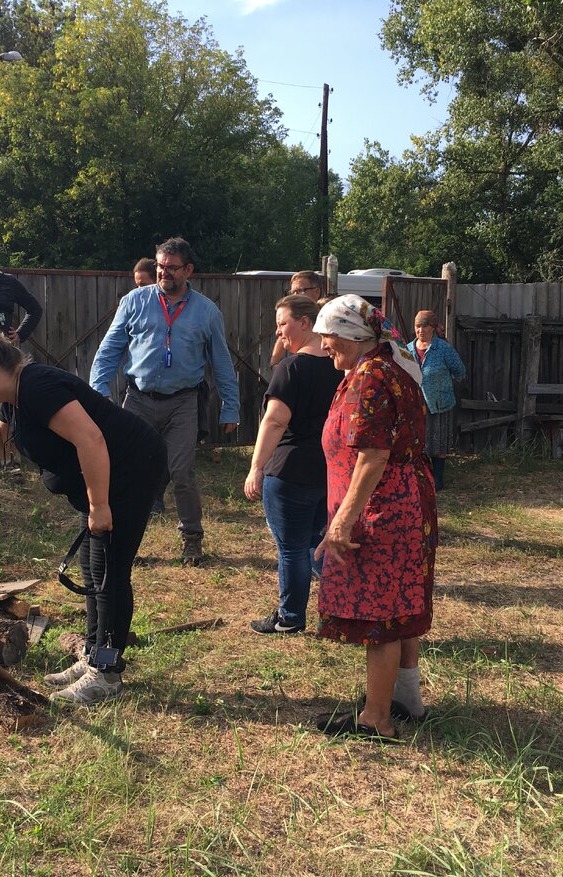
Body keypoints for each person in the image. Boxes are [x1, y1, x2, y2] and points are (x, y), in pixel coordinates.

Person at [0, 320, 167, 704]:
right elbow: (2, 446)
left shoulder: (38, 386)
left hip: (132, 468)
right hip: (112, 471)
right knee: (93, 564)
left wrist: (100, 506)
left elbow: (91, 438)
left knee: (110, 571)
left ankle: (107, 673)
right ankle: (92, 655)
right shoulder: (13, 398)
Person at [312, 296, 437, 740]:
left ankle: (376, 719)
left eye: (328, 335)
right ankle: (405, 698)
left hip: (382, 507)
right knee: (401, 605)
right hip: (403, 500)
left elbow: (372, 457)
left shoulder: (370, 379)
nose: (324, 344)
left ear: (352, 334)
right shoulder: (388, 366)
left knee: (380, 616)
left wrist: (344, 521)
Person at [90, 237, 240, 565]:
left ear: (188, 270)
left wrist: (231, 405)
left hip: (183, 403)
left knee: (181, 470)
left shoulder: (206, 312)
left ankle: (192, 539)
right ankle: (124, 541)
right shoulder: (134, 302)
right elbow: (109, 349)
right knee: (128, 470)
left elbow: (221, 362)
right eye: (159, 266)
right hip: (139, 399)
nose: (163, 273)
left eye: (171, 268)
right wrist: (99, 391)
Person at [244, 294, 342, 634]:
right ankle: (337, 612)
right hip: (329, 471)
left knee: (292, 549)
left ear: (305, 322)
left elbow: (274, 422)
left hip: (289, 471)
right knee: (319, 542)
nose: (278, 333)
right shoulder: (340, 366)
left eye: (282, 324)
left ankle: (290, 618)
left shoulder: (292, 367)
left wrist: (256, 467)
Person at [407, 309, 466, 490]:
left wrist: (441, 383)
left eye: (425, 326)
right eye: (418, 326)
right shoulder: (407, 350)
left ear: (433, 328)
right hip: (416, 405)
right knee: (419, 443)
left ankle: (437, 480)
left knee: (439, 443)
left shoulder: (443, 349)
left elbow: (460, 371)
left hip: (440, 403)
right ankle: (421, 479)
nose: (421, 330)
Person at [269, 271, 325, 367]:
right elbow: (282, 337)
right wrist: (274, 363)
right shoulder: (292, 366)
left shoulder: (327, 314)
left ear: (317, 291)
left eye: (299, 291)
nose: (295, 296)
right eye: (292, 292)